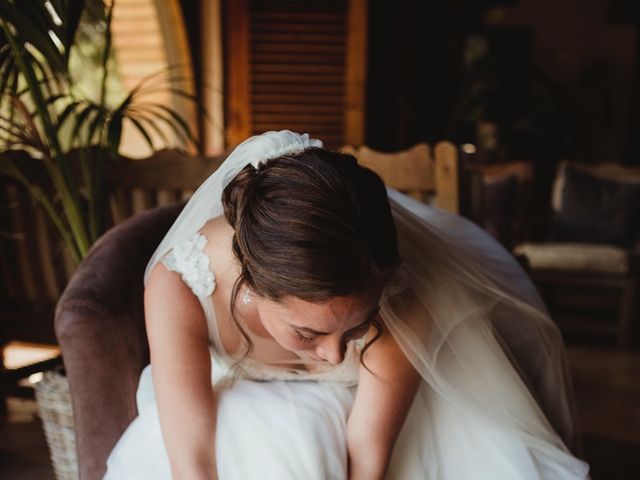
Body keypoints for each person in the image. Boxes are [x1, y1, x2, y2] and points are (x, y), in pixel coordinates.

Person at [103, 130, 590, 479]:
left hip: (391, 419)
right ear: (249, 282)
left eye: (356, 329)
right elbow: (192, 461)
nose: (335, 356)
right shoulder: (180, 283)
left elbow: (367, 458)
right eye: (308, 334)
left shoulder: (404, 294)